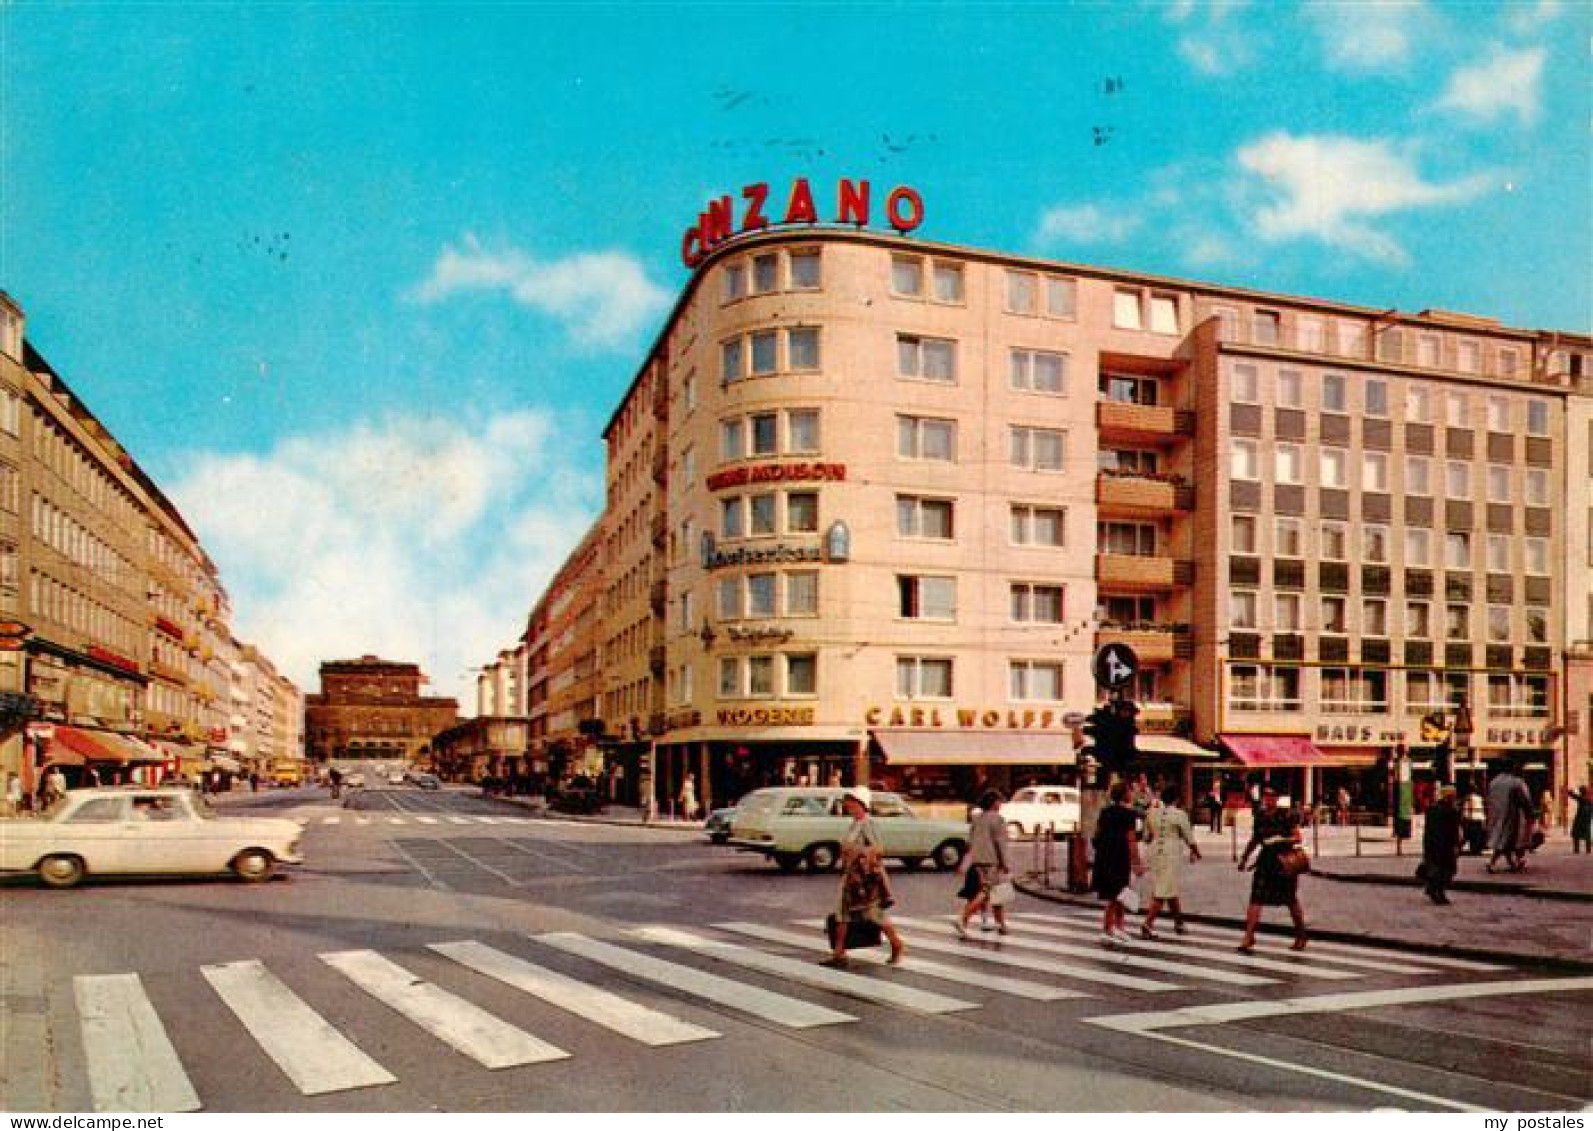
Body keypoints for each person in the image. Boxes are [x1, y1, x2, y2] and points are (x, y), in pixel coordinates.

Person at [826, 786, 905, 967]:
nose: (849, 807)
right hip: (850, 876)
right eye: (849, 803)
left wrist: (858, 852)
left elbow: (878, 849)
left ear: (862, 804)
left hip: (866, 880)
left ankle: (897, 944)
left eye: (853, 803)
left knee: (873, 914)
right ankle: (839, 954)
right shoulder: (854, 824)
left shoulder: (868, 823)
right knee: (842, 913)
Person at [1236, 786, 1308, 953]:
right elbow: (1255, 838)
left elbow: (1297, 837)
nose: (1268, 800)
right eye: (1265, 796)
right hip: (1265, 861)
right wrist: (1245, 857)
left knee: (1290, 899)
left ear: (1277, 798)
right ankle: (1248, 936)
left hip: (1283, 861)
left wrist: (1280, 839)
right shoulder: (1260, 816)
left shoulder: (1286, 815)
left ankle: (1301, 934)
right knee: (1256, 898)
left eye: (1271, 796)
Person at [1141, 784, 1201, 937]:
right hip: (1171, 853)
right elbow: (1189, 837)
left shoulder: (1151, 813)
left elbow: (1146, 838)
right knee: (1163, 889)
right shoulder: (1180, 814)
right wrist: (1196, 852)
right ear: (1177, 799)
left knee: (1168, 886)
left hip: (1154, 852)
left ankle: (1178, 923)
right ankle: (1147, 924)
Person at [1092, 780, 1143, 945]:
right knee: (1115, 895)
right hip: (1120, 857)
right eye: (1130, 791)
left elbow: (1096, 835)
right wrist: (1137, 862)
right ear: (1124, 794)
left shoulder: (1105, 812)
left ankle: (1119, 927)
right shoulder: (1129, 814)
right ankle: (1107, 929)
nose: (1132, 794)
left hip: (1105, 856)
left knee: (1119, 893)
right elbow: (1131, 840)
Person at [956, 789, 1012, 938]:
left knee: (996, 891)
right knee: (987, 891)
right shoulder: (998, 819)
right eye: (999, 801)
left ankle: (1001, 925)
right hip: (992, 860)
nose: (1001, 804)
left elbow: (970, 842)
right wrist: (1005, 863)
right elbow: (1000, 843)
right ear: (994, 803)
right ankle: (963, 918)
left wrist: (968, 860)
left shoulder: (978, 819)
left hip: (978, 861)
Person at [1420, 785, 1465, 904]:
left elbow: (1428, 829)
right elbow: (1455, 830)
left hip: (1433, 843)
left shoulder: (1432, 809)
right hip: (1446, 845)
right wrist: (1457, 844)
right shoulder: (1451, 811)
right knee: (1447, 870)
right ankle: (1438, 891)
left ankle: (1434, 889)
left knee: (1437, 869)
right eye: (1453, 796)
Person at [1486, 763, 1533, 873]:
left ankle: (1512, 863)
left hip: (1496, 815)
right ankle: (1495, 862)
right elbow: (1524, 800)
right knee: (1510, 840)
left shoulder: (1493, 782)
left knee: (1503, 840)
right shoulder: (1516, 782)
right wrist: (1530, 813)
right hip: (1512, 815)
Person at [1460, 788, 1486, 854]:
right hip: (1478, 818)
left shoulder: (1468, 798)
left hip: (1471, 818)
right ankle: (1476, 849)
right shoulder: (1479, 798)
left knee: (1471, 835)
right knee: (1477, 835)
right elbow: (1482, 809)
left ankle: (1473, 848)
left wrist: (1464, 817)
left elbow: (1466, 808)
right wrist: (1484, 819)